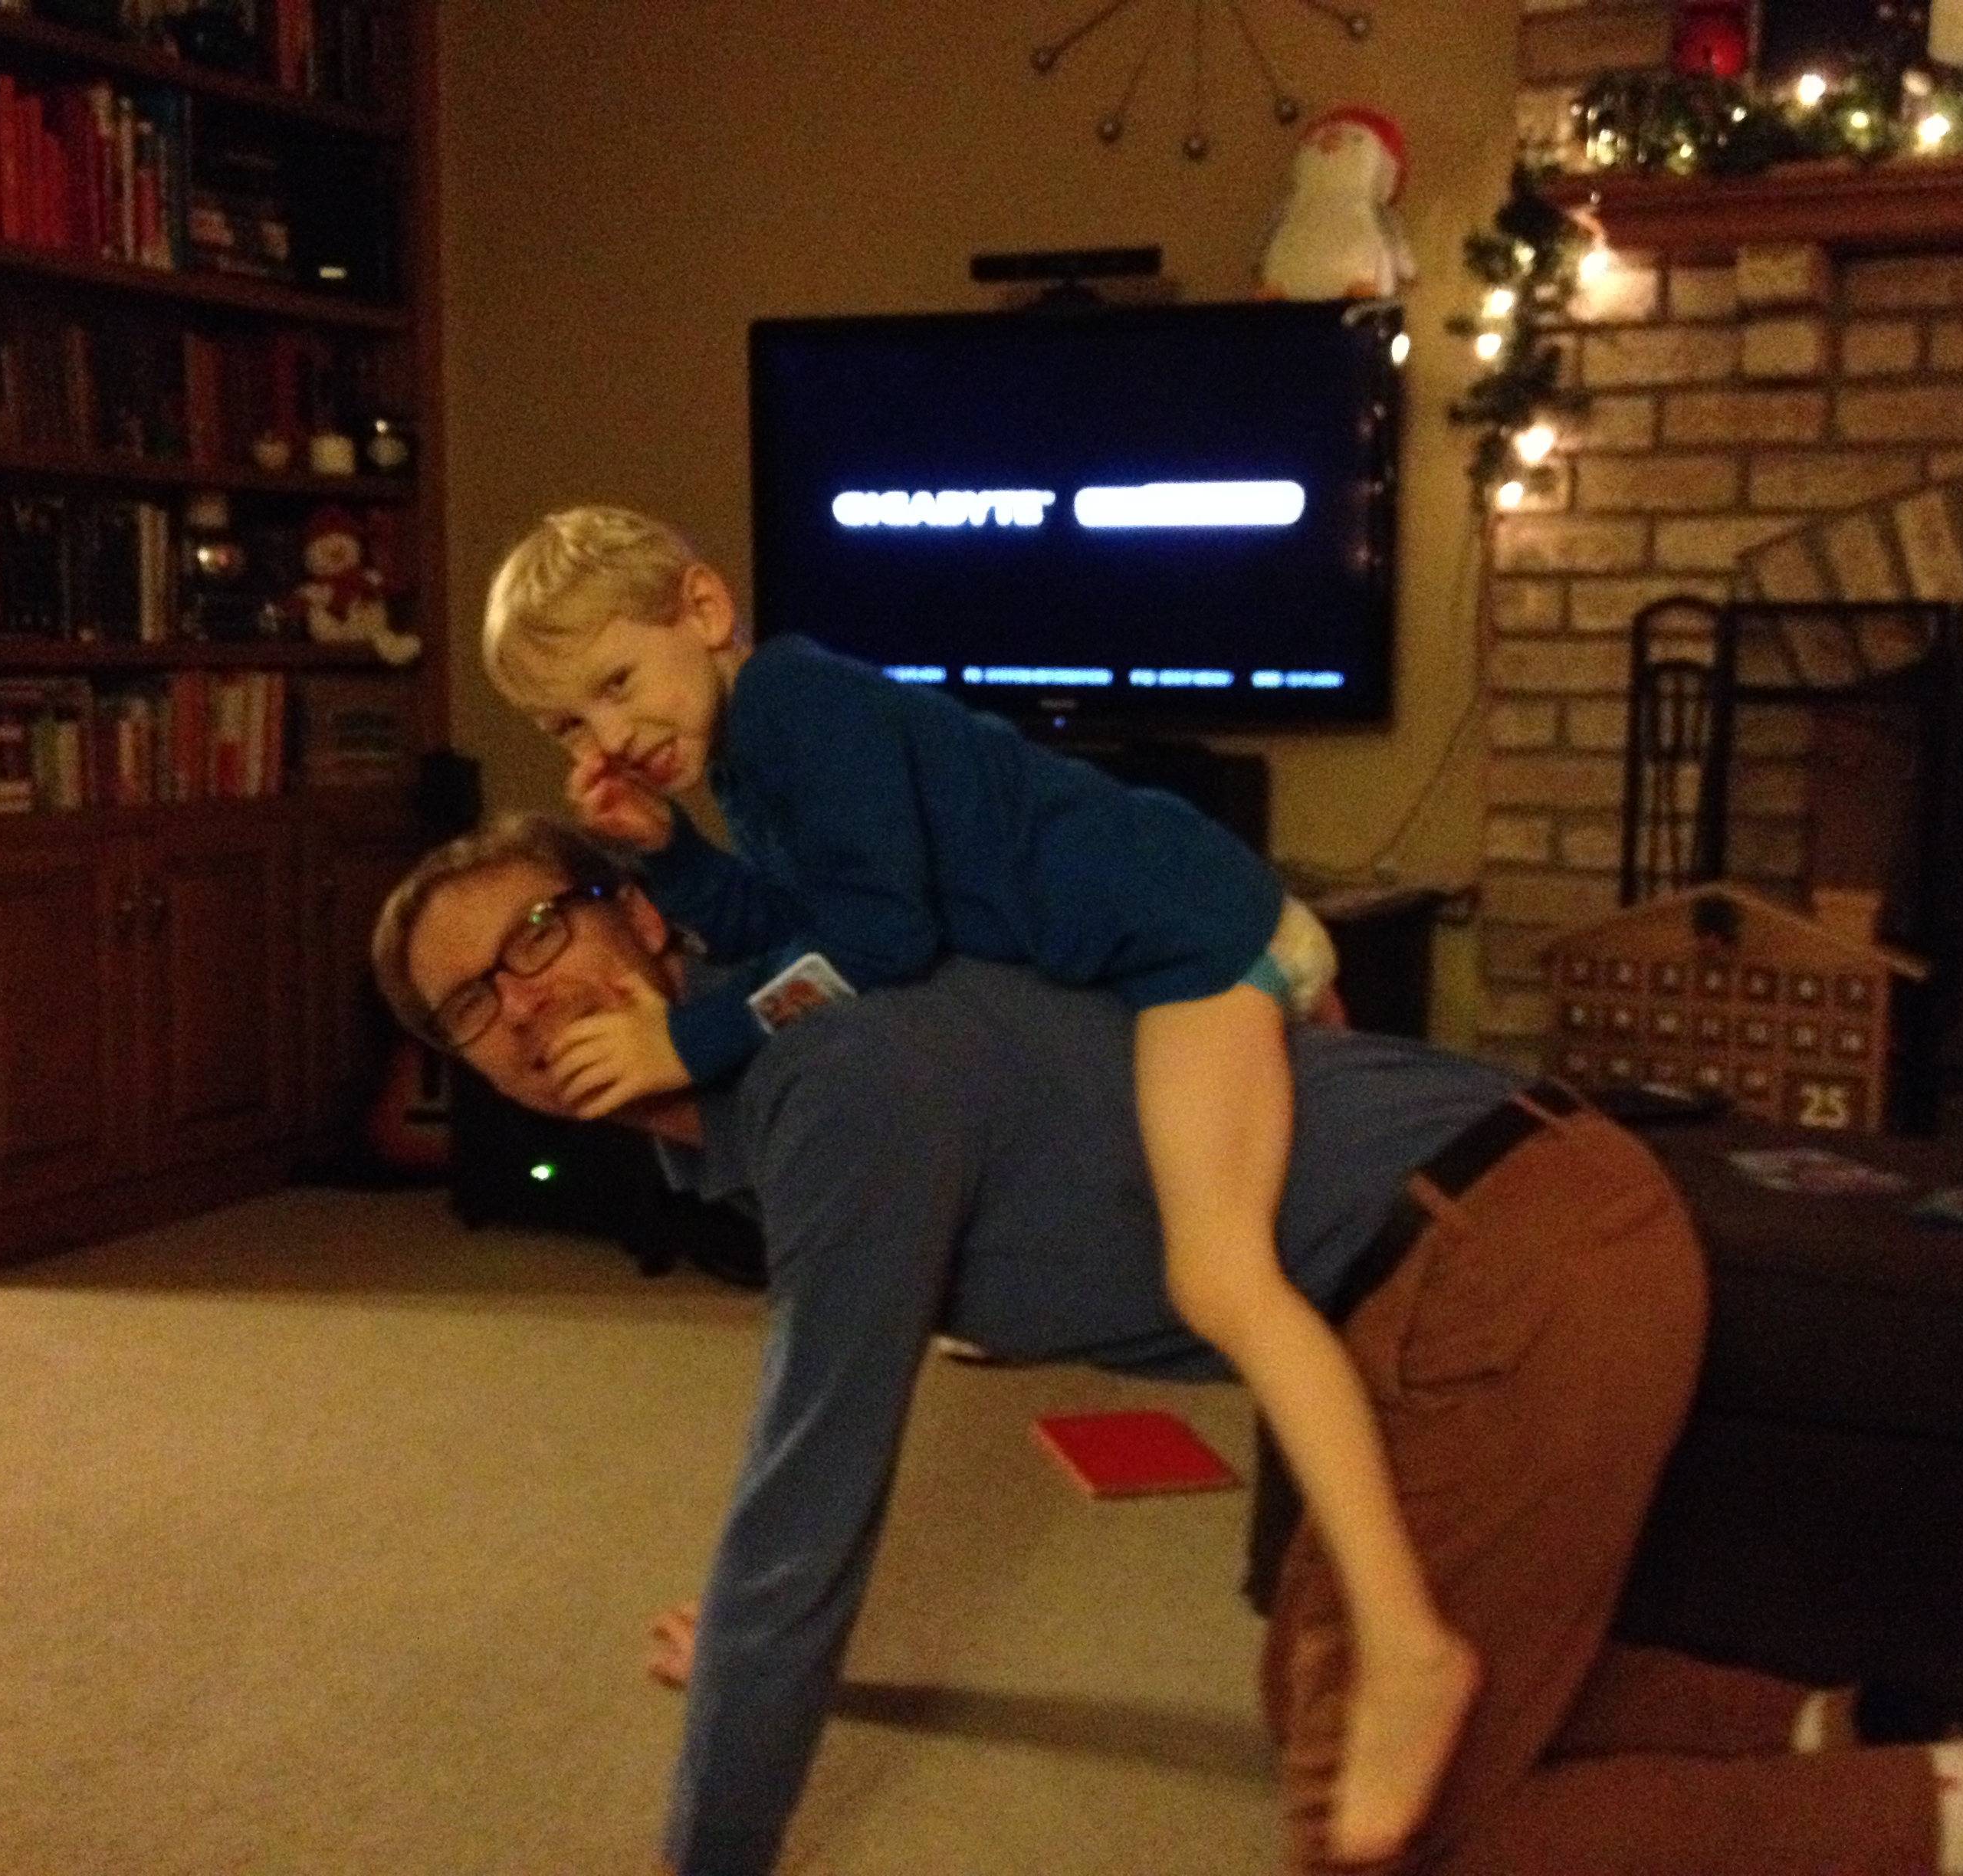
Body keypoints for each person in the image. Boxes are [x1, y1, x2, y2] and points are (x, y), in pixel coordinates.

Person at [370, 812, 1963, 1876]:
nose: (521, 1001)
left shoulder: (825, 1074)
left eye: (537, 932)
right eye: (469, 1004)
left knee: (1391, 1835)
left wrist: (712, 1829)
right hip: (1442, 1275)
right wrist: (758, 1633)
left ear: (639, 912)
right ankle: (1858, 1732)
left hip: (1502, 1262)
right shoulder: (751, 1105)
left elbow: (812, 1476)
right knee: (1314, 1690)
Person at [478, 503, 1470, 1861]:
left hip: (1196, 940)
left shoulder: (802, 711)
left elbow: (879, 946)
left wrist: (687, 1037)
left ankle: (1411, 1648)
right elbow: (803, 925)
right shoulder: (755, 745)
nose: (610, 734)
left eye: (616, 681)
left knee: (1222, 1279)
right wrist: (671, 850)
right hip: (1159, 941)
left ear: (703, 611)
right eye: (570, 726)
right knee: (1228, 1251)